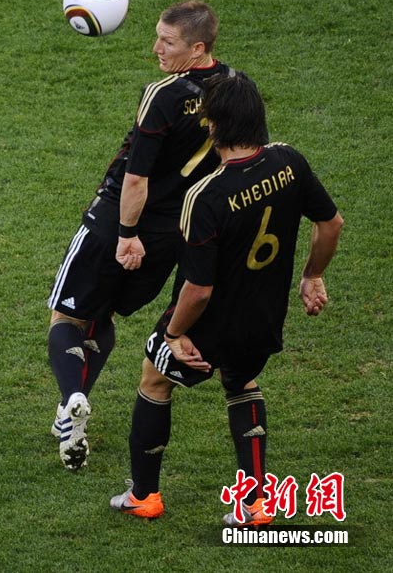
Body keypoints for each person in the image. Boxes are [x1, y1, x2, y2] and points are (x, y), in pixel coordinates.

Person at [109, 73, 343, 524]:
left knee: (154, 379)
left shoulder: (206, 195)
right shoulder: (289, 162)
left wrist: (175, 333)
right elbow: (331, 223)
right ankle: (255, 505)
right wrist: (313, 275)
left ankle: (144, 496)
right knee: (241, 381)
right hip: (264, 316)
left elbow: (199, 290)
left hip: (208, 324)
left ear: (214, 126)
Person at [48, 0, 236, 470]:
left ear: (197, 48)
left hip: (119, 221)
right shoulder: (235, 87)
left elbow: (136, 177)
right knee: (104, 313)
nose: (156, 48)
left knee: (66, 316)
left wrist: (126, 233)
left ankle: (71, 400)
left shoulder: (163, 94)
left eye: (167, 42)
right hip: (173, 234)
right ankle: (71, 411)